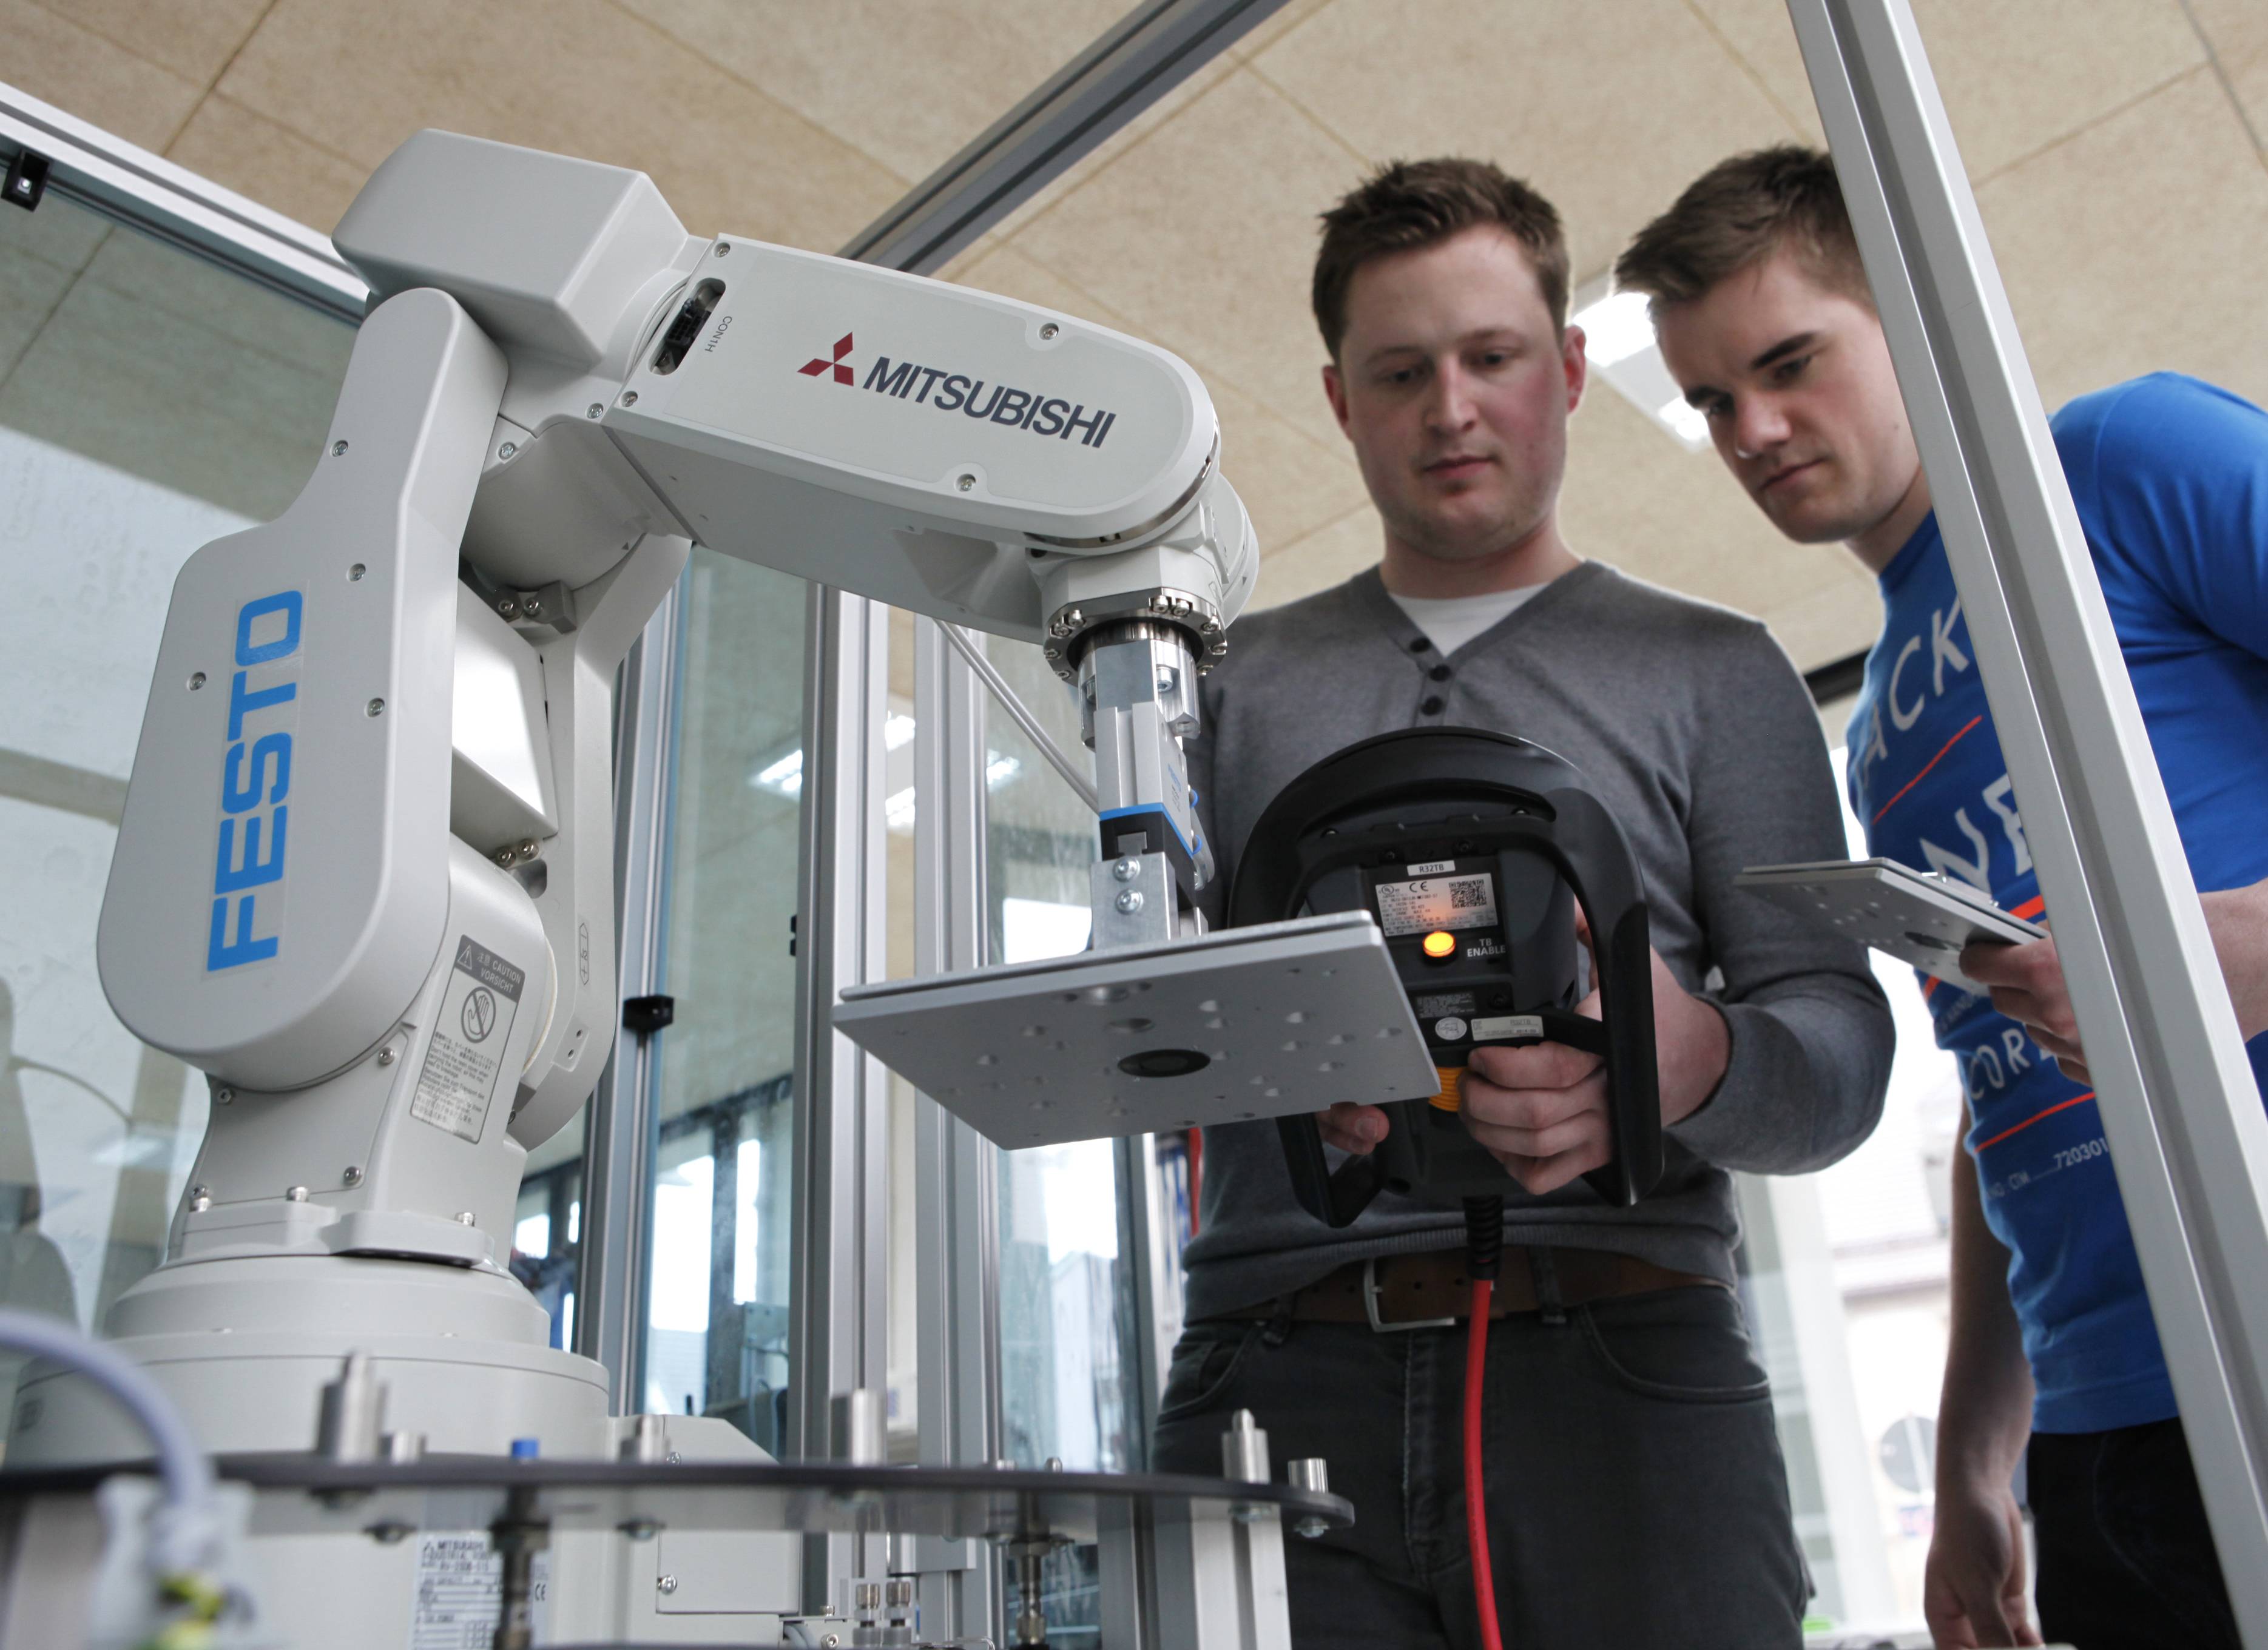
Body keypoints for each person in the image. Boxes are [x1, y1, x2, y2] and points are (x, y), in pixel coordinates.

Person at [1152, 157, 1894, 1649]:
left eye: (1492, 358)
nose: (1450, 409)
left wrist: (1683, 1065)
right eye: (1401, 371)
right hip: (1276, 1372)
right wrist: (1287, 1077)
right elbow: (1144, 1020)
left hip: (1632, 1364)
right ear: (1339, 397)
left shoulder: (1720, 670)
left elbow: (1842, 1057)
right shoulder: (1220, 693)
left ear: (1565, 370)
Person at [1618, 144, 2268, 1650]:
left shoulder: (2125, 466)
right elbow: (2004, 1095)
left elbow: (2168, 979)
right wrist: (1980, 1454)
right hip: (2104, 1426)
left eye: (1790, 364)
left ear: (1915, 316)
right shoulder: (1886, 730)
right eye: (1712, 400)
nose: (1754, 430)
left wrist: (2207, 960)